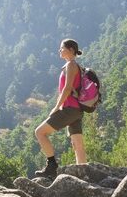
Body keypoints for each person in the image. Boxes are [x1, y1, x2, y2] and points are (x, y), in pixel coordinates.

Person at [34, 38, 87, 178]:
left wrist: (57, 107)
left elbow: (67, 88)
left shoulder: (71, 65)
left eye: (62, 48)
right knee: (77, 144)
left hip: (69, 109)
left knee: (40, 132)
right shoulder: (77, 66)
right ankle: (83, 173)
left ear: (70, 50)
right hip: (77, 110)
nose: (59, 50)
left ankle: (51, 165)